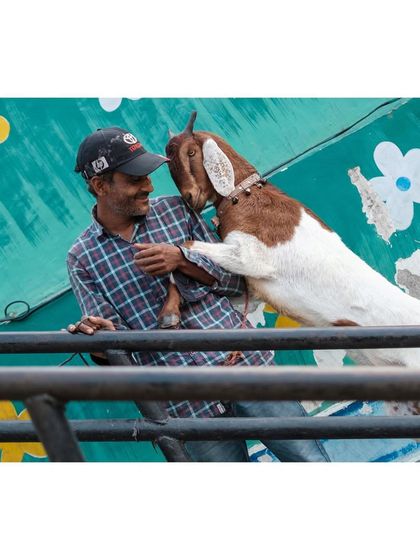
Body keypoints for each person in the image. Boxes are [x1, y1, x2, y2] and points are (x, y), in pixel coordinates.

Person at [67, 126, 330, 462]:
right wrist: (95, 336)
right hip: (185, 405)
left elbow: (238, 284)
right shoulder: (82, 258)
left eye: (148, 175)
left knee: (310, 461)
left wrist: (182, 259)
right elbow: (115, 354)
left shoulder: (178, 210)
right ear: (100, 186)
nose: (148, 185)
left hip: (247, 368)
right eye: (134, 179)